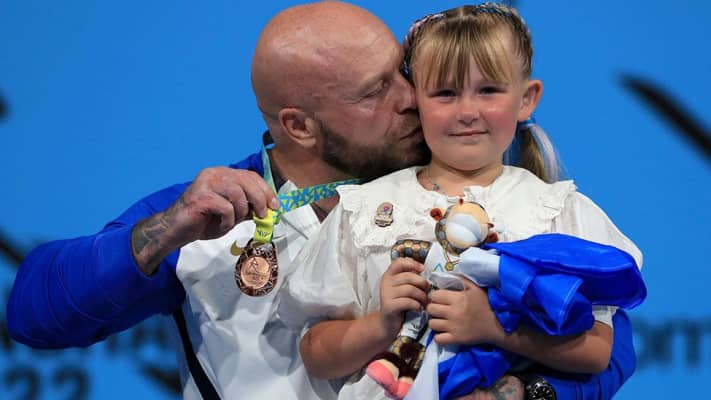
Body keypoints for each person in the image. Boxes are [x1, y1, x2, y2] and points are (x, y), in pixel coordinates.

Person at [7, 2, 637, 399]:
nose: (411, 98)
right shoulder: (201, 220)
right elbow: (34, 312)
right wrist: (164, 231)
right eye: (376, 91)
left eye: (402, 73)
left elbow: (611, 352)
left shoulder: (482, 194)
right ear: (300, 126)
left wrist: (517, 394)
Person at [284, 3, 644, 400]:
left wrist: (494, 327)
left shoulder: (560, 211)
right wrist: (381, 324)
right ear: (415, 100)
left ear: (527, 98)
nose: (468, 111)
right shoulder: (364, 209)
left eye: (488, 90)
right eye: (445, 93)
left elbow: (597, 352)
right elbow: (315, 353)